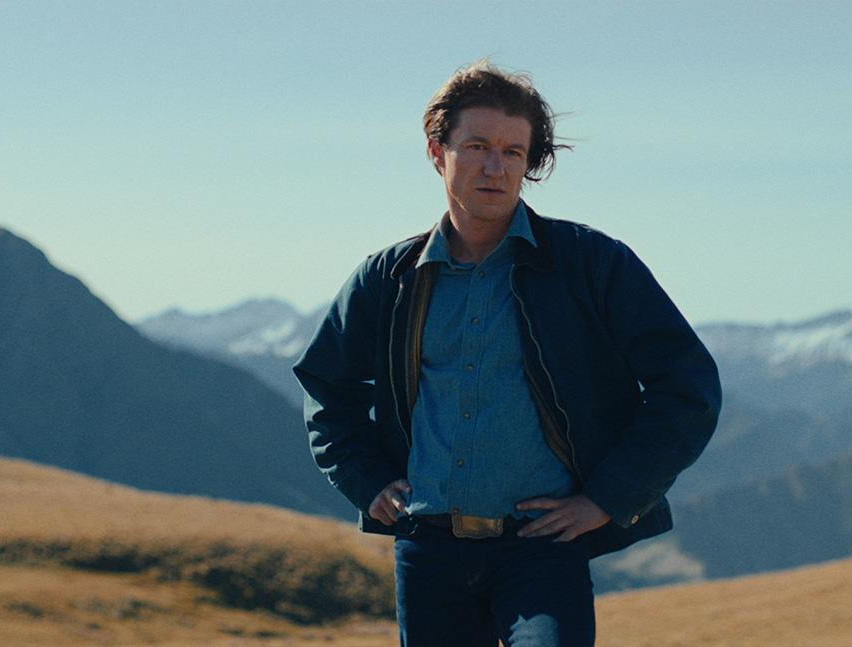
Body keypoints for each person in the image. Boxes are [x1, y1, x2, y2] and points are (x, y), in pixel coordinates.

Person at [294, 61, 721, 647]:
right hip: (428, 550)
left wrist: (606, 498)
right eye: (477, 147)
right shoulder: (388, 278)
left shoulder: (592, 264)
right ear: (437, 152)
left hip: (542, 548)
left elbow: (688, 387)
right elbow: (327, 390)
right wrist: (366, 480)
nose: (496, 168)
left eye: (513, 152)